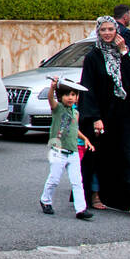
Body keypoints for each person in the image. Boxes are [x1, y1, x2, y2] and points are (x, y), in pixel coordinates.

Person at [80, 15, 130, 217]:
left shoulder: (122, 55)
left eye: (111, 29)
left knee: (126, 155)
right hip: (101, 115)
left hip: (122, 114)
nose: (108, 33)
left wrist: (124, 53)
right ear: (98, 32)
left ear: (117, 32)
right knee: (97, 155)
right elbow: (88, 88)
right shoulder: (93, 57)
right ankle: (94, 195)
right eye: (104, 30)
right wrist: (94, 117)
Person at [40, 79, 95, 220]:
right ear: (60, 97)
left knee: (77, 181)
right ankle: (45, 200)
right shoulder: (57, 108)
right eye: (66, 95)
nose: (70, 98)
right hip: (58, 151)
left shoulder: (75, 113)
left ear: (77, 97)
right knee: (54, 179)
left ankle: (81, 209)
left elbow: (74, 129)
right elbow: (50, 98)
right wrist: (52, 88)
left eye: (73, 94)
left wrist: (86, 139)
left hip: (73, 151)